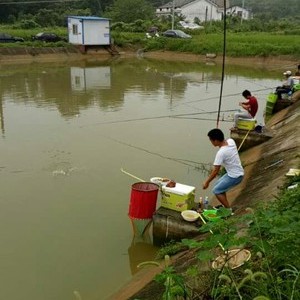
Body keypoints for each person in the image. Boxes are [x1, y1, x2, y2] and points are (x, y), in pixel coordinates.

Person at [202, 128, 244, 208]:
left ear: (216, 141)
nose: (211, 143)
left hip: (235, 176)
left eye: (211, 140)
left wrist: (206, 182)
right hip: (236, 172)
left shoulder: (221, 153)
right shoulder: (231, 141)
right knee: (218, 185)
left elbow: (215, 171)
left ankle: (228, 210)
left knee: (216, 190)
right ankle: (225, 205)